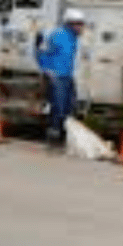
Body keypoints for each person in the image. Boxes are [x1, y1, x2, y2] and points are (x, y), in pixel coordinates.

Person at [37, 8, 86, 153]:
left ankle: (63, 138)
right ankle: (53, 139)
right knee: (57, 107)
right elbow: (42, 52)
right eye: (78, 24)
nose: (80, 27)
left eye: (81, 24)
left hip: (68, 76)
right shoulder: (57, 35)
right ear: (70, 24)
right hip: (57, 76)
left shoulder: (74, 38)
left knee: (69, 107)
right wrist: (46, 70)